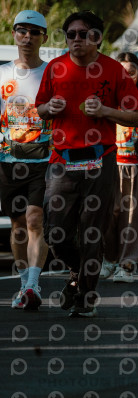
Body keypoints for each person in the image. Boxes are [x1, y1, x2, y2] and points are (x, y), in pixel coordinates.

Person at [36, 10, 138, 318]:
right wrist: (49, 107)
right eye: (71, 34)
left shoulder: (113, 70)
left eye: (83, 34)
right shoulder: (56, 68)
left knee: (92, 232)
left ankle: (86, 294)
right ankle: (76, 272)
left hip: (100, 158)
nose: (76, 40)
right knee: (55, 233)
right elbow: (39, 109)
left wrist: (106, 111)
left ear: (96, 38)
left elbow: (137, 116)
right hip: (62, 160)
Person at [0, 10, 51, 310]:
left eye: (34, 32)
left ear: (44, 37)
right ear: (14, 34)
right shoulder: (3, 74)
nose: (27, 37)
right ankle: (23, 283)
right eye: (22, 31)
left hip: (43, 161)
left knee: (35, 220)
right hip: (7, 160)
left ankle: (33, 284)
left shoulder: (52, 73)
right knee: (18, 224)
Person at [100, 52, 138, 283]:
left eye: (132, 71)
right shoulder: (109, 97)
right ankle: (109, 259)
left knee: (135, 215)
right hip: (111, 163)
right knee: (110, 212)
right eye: (123, 71)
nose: (128, 76)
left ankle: (127, 264)